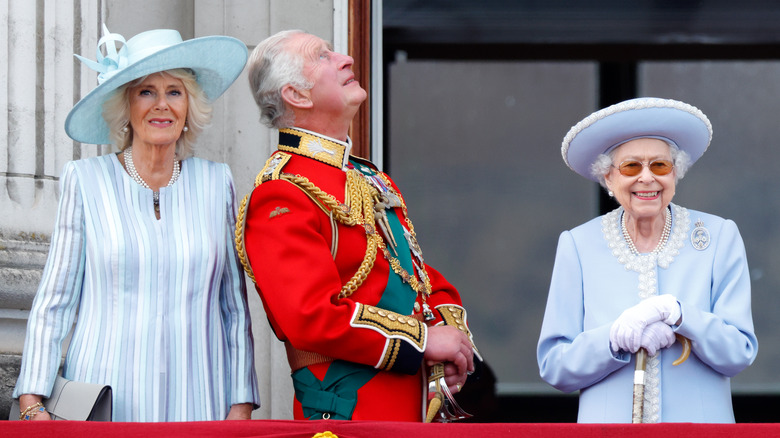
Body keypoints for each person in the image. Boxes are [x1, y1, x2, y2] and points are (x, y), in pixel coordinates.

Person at [13, 26, 261, 421]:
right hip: (105, 402)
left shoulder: (218, 183)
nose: (161, 105)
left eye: (174, 92)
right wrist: (32, 401)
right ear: (125, 105)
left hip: (200, 402)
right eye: (146, 91)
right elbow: (55, 301)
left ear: (189, 106)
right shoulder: (86, 180)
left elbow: (234, 307)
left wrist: (241, 404)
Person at [236, 29, 480, 421]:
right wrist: (424, 341)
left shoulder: (368, 177)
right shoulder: (280, 192)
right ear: (296, 95)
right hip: (348, 414)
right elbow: (312, 317)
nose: (345, 59)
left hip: (411, 408)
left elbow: (414, 275)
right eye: (322, 56)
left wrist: (451, 341)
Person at [537, 97, 758, 423]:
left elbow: (739, 353)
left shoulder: (718, 236)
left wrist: (682, 316)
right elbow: (555, 367)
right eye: (630, 167)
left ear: (675, 174)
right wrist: (613, 338)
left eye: (660, 165)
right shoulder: (578, 245)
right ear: (608, 179)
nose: (647, 178)